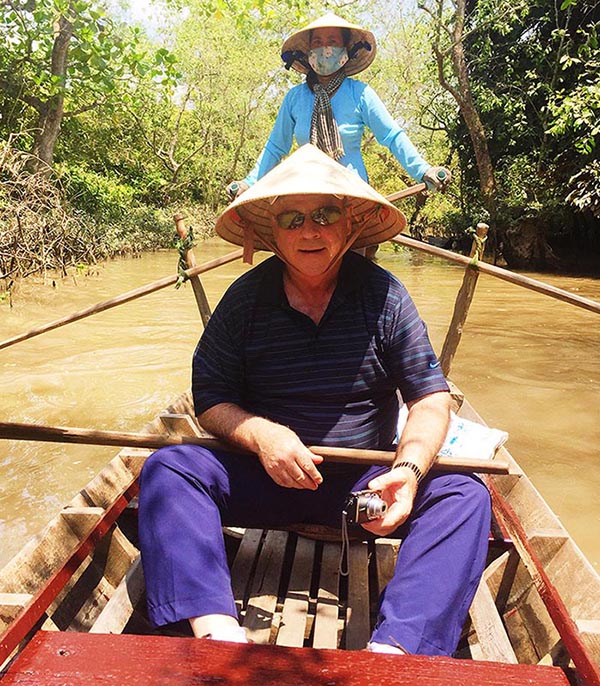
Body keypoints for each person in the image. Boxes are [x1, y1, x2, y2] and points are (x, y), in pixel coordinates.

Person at [139, 144, 491, 656]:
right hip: (267, 478)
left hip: (363, 494)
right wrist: (263, 435)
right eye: (293, 218)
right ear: (272, 234)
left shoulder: (386, 297)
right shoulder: (243, 302)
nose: (310, 231)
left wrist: (409, 474)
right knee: (169, 469)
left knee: (466, 496)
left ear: (349, 225)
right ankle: (217, 634)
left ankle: (394, 652)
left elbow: (431, 400)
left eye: (325, 215)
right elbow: (211, 399)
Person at [227, 13, 450, 200]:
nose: (325, 48)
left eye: (332, 42)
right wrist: (249, 183)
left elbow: (392, 136)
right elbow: (275, 147)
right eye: (317, 43)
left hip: (353, 194)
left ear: (345, 52)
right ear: (308, 54)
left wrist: (423, 170)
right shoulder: (295, 98)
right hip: (305, 193)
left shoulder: (360, 93)